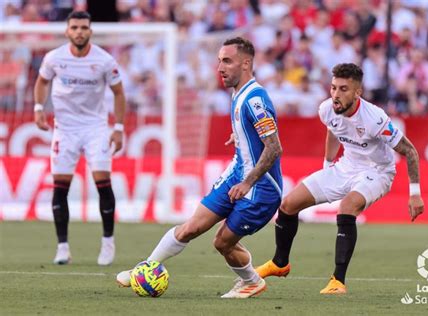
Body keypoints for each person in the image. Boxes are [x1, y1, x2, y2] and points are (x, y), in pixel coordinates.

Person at [116, 37, 283, 298]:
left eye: (227, 61)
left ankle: (252, 281)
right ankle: (145, 267)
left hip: (260, 189)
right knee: (191, 226)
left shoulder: (255, 99)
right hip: (237, 171)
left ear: (246, 63)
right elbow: (253, 134)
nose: (220, 67)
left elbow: (274, 148)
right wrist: (238, 135)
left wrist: (247, 182)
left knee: (222, 242)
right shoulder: (237, 92)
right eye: (219, 61)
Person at [255, 63, 424, 294]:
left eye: (343, 89)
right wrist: (327, 165)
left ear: (357, 93)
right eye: (333, 88)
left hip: (378, 171)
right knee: (288, 204)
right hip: (345, 167)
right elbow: (333, 131)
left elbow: (410, 151)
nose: (336, 94)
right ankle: (279, 263)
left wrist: (415, 194)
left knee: (346, 207)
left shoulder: (375, 118)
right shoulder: (326, 109)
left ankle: (338, 281)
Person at [34, 11, 126, 266]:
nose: (79, 31)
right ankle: (62, 247)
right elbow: (42, 82)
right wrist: (38, 108)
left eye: (84, 27)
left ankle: (108, 242)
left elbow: (119, 93)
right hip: (64, 129)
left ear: (90, 31)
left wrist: (118, 127)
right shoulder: (54, 58)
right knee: (60, 185)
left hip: (95, 128)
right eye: (74, 27)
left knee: (102, 182)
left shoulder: (104, 61)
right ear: (67, 31)